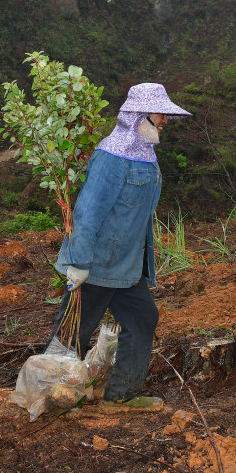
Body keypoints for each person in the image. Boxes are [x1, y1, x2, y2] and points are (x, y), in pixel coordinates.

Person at [52, 83, 191, 412]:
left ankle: (120, 396)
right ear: (140, 114)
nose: (165, 120)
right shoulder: (111, 156)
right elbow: (88, 212)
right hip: (97, 265)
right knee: (74, 331)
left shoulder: (145, 153)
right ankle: (53, 395)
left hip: (126, 267)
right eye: (161, 114)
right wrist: (79, 262)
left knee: (143, 317)